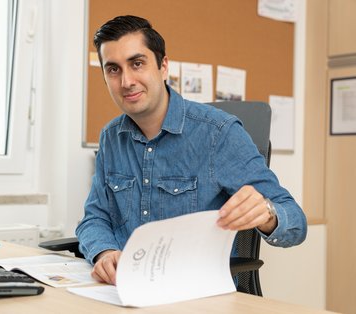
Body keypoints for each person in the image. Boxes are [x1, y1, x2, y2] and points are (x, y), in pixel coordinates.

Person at [75, 15, 307, 285]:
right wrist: (104, 252)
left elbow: (296, 224)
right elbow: (94, 218)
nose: (126, 81)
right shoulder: (111, 138)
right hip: (123, 290)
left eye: (137, 63)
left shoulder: (219, 133)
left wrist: (267, 213)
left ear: (163, 67)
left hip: (195, 293)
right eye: (113, 69)